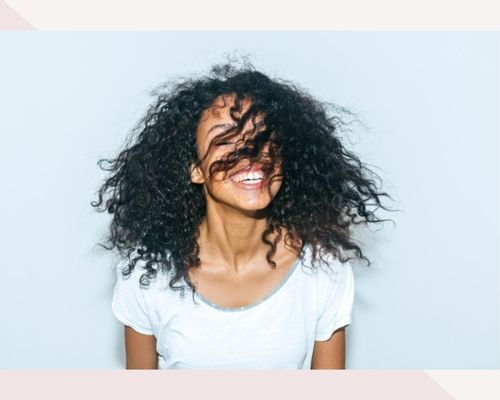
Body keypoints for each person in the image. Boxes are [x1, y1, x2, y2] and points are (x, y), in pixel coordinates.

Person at [92, 61, 392, 369]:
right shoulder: (147, 275)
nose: (250, 153)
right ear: (195, 168)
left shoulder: (322, 268)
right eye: (225, 138)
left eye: (262, 137)